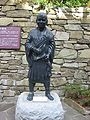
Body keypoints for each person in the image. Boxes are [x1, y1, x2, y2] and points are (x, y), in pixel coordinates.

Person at [25, 12, 55, 101]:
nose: (41, 21)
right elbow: (27, 43)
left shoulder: (49, 33)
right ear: (36, 21)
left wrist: (48, 54)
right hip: (34, 59)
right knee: (32, 76)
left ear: (46, 21)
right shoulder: (32, 32)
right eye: (39, 20)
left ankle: (47, 92)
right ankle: (31, 92)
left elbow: (52, 45)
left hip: (44, 59)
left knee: (46, 77)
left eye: (43, 20)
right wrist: (33, 48)